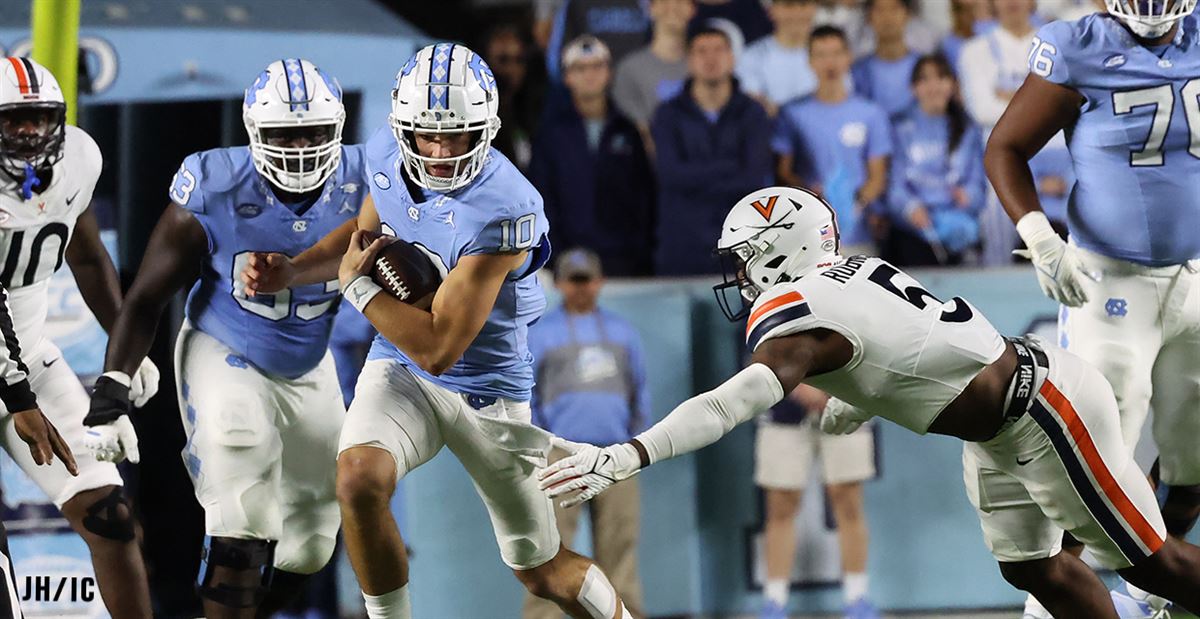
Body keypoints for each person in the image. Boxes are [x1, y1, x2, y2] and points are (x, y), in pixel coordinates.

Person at [539, 185, 1200, 619]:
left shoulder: (793, 307)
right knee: (1032, 567)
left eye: (745, 260)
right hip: (998, 424)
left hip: (1040, 406)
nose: (739, 277)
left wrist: (632, 451)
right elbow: (908, 344)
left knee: (1152, 562)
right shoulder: (849, 271)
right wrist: (864, 397)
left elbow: (729, 403)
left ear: (780, 253)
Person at [241, 43, 634, 619]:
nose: (443, 151)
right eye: (429, 136)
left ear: (490, 129)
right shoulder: (385, 154)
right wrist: (296, 268)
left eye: (459, 136)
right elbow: (364, 233)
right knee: (357, 478)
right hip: (398, 365)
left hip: (486, 388)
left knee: (540, 571)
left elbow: (440, 348)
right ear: (404, 128)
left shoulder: (507, 206)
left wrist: (355, 287)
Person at [87, 59, 364, 618]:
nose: (302, 147)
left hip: (308, 364)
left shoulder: (372, 180)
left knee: (312, 541)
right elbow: (145, 296)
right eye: (287, 132)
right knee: (243, 505)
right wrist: (112, 391)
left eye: (314, 131)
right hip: (225, 347)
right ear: (254, 131)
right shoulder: (215, 186)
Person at [985, 2, 1200, 617]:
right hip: (1112, 280)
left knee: (1193, 452)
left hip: (1198, 275)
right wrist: (1039, 233)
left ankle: (1154, 584)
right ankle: (1056, 598)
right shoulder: (1077, 45)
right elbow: (1005, 145)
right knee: (1097, 449)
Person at [0, 56, 154, 619]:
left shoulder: (78, 159)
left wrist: (124, 346)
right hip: (15, 377)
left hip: (31, 358)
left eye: (39, 118)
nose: (29, 132)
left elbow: (87, 255)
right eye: (13, 119)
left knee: (109, 516)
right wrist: (18, 399)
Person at [522, 248, 648, 619]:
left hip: (615, 453)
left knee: (620, 543)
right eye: (574, 281)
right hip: (561, 455)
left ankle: (628, 612)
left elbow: (639, 390)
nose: (581, 288)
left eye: (587, 280)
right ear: (559, 284)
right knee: (549, 548)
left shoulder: (624, 333)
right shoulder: (542, 334)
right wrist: (541, 446)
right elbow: (528, 394)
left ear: (600, 282)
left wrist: (635, 443)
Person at [650, 25, 771, 275]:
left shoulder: (753, 113)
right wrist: (728, 166)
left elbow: (753, 178)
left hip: (741, 247)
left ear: (733, 58)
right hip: (683, 247)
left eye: (719, 50)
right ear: (689, 60)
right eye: (701, 51)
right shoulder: (668, 115)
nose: (711, 58)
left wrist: (695, 176)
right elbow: (670, 175)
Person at [531, 36, 656, 276]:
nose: (590, 74)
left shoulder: (627, 131)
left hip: (623, 259)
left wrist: (639, 252)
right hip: (567, 260)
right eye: (580, 68)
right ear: (567, 77)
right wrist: (554, 253)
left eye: (597, 66)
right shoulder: (550, 134)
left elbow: (644, 199)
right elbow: (542, 196)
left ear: (609, 73)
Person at [755, 384, 877, 619]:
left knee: (849, 504)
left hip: (847, 405)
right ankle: (774, 603)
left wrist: (830, 391)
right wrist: (798, 386)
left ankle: (857, 600)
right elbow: (756, 349)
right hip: (782, 411)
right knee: (780, 507)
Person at [773, 26, 891, 255]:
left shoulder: (871, 113)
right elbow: (783, 172)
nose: (830, 62)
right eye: (821, 54)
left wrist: (854, 205)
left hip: (858, 234)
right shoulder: (792, 114)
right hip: (808, 236)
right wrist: (810, 196)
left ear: (848, 57)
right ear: (809, 61)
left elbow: (877, 175)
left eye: (836, 53)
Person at [958, 0, 1046, 266]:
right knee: (996, 210)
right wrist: (1039, 100)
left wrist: (1009, 97)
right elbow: (982, 109)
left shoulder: (1054, 42)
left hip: (1056, 152)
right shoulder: (975, 50)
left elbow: (1069, 100)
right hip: (1001, 152)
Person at [885, 54, 986, 266]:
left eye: (941, 77)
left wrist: (968, 196)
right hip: (912, 232)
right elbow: (894, 184)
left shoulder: (967, 128)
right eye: (925, 79)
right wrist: (911, 208)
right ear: (913, 87)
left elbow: (978, 182)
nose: (934, 86)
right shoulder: (900, 128)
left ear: (952, 84)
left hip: (958, 229)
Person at [612, 0, 695, 136]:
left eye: (680, 1)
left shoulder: (706, 66)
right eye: (664, 1)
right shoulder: (629, 69)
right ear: (650, 8)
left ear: (692, 9)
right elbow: (639, 129)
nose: (672, 7)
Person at [736, 0, 820, 117]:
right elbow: (754, 105)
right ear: (771, 11)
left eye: (803, 4)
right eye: (788, 5)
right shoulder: (750, 57)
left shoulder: (834, 54)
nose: (796, 13)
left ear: (814, 9)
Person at [485, 24, 546, 172]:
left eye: (519, 60)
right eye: (503, 60)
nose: (512, 68)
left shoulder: (537, 108)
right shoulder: (480, 117)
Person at [546, 0, 651, 82]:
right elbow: (558, 58)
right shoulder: (574, 3)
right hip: (588, 93)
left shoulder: (647, 3)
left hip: (638, 90)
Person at [851, 0, 921, 118]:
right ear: (869, 18)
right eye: (879, 10)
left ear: (908, 14)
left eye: (894, 9)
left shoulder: (924, 66)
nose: (887, 17)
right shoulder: (858, 70)